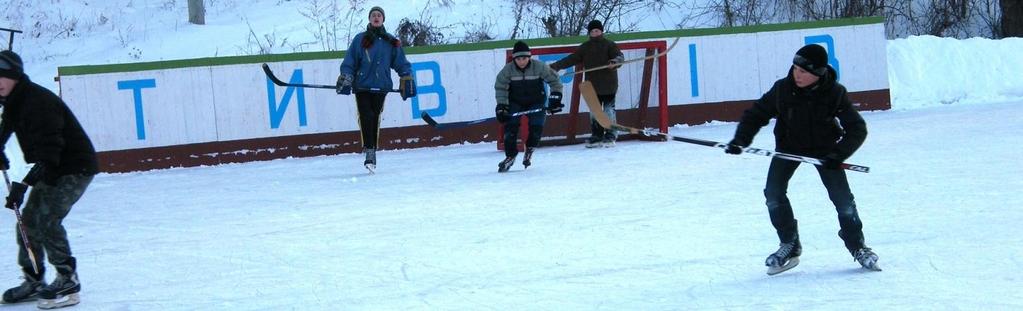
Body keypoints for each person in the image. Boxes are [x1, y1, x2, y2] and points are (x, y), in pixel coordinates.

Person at [724, 44, 877, 275]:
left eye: (804, 71)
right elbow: (756, 114)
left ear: (819, 72)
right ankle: (790, 244)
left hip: (825, 151)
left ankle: (858, 246)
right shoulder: (782, 90)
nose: (797, 74)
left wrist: (837, 155)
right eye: (795, 68)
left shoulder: (834, 93)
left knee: (843, 202)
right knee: (773, 194)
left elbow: (857, 129)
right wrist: (740, 139)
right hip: (789, 147)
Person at [0, 50, 97, 308]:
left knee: (48, 221)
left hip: (74, 167)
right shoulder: (13, 100)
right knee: (28, 222)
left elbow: (50, 153)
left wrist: (23, 185)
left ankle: (68, 279)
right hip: (51, 167)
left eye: (2, 76)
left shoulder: (38, 102)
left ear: (15, 77)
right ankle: (34, 279)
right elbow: (6, 127)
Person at [336, 6, 416, 173]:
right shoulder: (360, 40)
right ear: (370, 19)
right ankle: (370, 151)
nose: (376, 17)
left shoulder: (391, 42)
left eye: (379, 15)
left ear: (383, 19)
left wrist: (406, 77)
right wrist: (347, 76)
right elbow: (350, 62)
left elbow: (401, 63)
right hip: (362, 86)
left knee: (375, 115)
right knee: (366, 114)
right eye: (373, 15)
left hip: (381, 87)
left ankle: (372, 149)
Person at [550, 19, 624, 148]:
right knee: (594, 111)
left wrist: (614, 62)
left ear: (601, 31)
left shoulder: (610, 45)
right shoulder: (585, 47)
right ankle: (597, 134)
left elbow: (619, 56)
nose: (595, 33)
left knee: (608, 110)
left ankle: (611, 133)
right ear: (589, 33)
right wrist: (557, 66)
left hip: (608, 85)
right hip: (592, 85)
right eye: (592, 31)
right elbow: (572, 59)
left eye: (597, 30)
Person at [493, 41, 563, 173]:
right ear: (514, 59)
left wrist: (555, 97)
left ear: (529, 57)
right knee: (510, 128)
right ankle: (510, 155)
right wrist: (501, 106)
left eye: (524, 58)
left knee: (536, 127)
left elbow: (555, 81)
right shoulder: (507, 70)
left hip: (536, 101)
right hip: (515, 102)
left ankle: (530, 148)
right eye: (518, 59)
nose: (521, 61)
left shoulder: (539, 67)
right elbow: (500, 88)